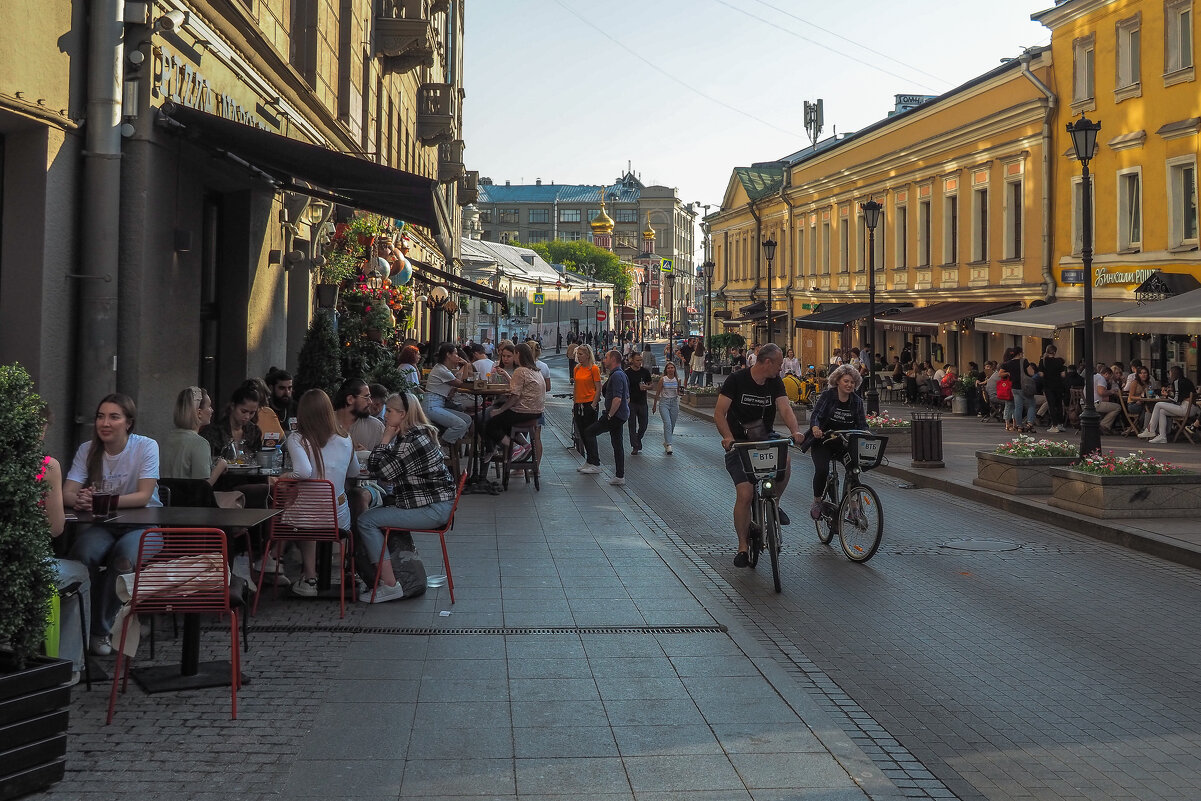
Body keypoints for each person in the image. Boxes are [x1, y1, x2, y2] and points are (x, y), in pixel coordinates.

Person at [64, 394, 162, 656]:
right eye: (100, 416)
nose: (105, 423)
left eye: (113, 417)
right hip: (105, 525)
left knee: (123, 558)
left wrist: (100, 500)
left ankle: (100, 630)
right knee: (82, 554)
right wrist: (83, 500)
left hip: (146, 526)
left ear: (128, 423)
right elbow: (67, 493)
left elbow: (143, 496)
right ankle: (77, 628)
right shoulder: (88, 449)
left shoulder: (146, 446)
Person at [354, 391, 457, 601]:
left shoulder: (411, 441)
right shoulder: (417, 434)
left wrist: (385, 438)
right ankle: (385, 578)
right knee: (374, 513)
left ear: (402, 414)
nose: (385, 415)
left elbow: (380, 470)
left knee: (366, 520)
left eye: (389, 411)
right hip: (437, 505)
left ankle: (390, 584)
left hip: (433, 510)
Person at [714, 344, 805, 567]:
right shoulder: (737, 380)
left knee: (786, 459)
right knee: (745, 494)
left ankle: (776, 502)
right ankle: (743, 547)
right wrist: (727, 437)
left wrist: (795, 431)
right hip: (739, 443)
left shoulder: (775, 383)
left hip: (765, 438)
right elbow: (719, 412)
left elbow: (785, 408)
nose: (781, 368)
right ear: (766, 362)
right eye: (779, 364)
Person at [283, 389, 359, 597]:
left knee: (299, 511)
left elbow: (302, 472)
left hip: (307, 519)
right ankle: (342, 575)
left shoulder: (298, 438)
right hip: (338, 518)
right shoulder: (346, 438)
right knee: (317, 509)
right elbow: (354, 472)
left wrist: (284, 476)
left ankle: (309, 577)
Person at [38, 405, 91, 685]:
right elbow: (56, 528)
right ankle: (68, 667)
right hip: (28, 568)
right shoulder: (46, 466)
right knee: (80, 573)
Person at [805, 364, 869, 521]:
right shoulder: (828, 396)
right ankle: (817, 501)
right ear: (837, 381)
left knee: (854, 470)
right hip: (824, 441)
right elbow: (816, 416)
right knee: (822, 470)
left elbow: (862, 424)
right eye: (846, 381)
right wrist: (815, 428)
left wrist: (866, 433)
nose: (849, 385)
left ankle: (854, 507)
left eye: (852, 382)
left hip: (844, 443)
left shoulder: (857, 402)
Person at [483, 342, 545, 457]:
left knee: (490, 423)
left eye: (513, 355)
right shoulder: (536, 371)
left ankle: (515, 448)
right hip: (537, 413)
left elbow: (515, 396)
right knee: (504, 424)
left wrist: (500, 410)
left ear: (518, 354)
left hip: (524, 411)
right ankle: (525, 445)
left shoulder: (520, 371)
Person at [580, 349, 630, 485]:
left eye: (606, 357)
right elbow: (626, 397)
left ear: (613, 359)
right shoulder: (619, 374)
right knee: (617, 444)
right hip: (619, 415)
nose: (604, 360)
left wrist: (609, 415)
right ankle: (619, 476)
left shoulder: (617, 376)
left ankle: (594, 463)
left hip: (614, 415)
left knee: (589, 432)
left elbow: (618, 398)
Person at [160, 386, 227, 483]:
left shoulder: (167, 439)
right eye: (209, 406)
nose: (212, 410)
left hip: (167, 497)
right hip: (190, 497)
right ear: (199, 413)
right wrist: (221, 466)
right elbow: (202, 487)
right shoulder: (200, 443)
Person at [423, 343, 473, 444]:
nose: (458, 357)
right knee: (460, 425)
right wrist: (466, 365)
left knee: (467, 419)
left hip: (438, 404)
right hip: (432, 405)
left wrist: (465, 366)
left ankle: (451, 443)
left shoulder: (443, 369)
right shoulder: (442, 370)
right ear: (448, 355)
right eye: (455, 354)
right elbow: (462, 384)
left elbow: (461, 383)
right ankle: (440, 447)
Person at [200, 384, 263, 464]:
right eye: (243, 411)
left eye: (252, 413)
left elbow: (258, 459)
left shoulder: (254, 431)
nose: (247, 416)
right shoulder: (214, 431)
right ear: (233, 406)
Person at [1139, 365, 1195, 443]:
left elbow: (1176, 400)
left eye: (1170, 373)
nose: (1169, 375)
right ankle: (1162, 436)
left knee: (1158, 404)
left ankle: (1150, 429)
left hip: (1186, 408)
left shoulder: (1177, 382)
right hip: (1193, 408)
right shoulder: (1187, 381)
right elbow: (1181, 396)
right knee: (1162, 411)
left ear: (1173, 373)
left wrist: (1167, 395)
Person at [334, 378, 385, 452]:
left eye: (370, 397)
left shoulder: (376, 428)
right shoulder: (324, 423)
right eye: (366, 397)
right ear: (350, 399)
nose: (370, 402)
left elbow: (386, 460)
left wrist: (368, 456)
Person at [570, 344, 603, 450]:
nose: (578, 357)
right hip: (578, 404)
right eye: (577, 354)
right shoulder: (577, 369)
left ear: (587, 355)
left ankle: (594, 461)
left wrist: (593, 404)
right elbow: (576, 387)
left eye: (581, 354)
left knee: (590, 434)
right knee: (581, 433)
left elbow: (598, 388)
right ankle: (589, 460)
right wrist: (574, 403)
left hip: (589, 403)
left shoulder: (593, 369)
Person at [624, 351, 652, 454]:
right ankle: (635, 446)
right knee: (632, 425)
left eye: (641, 360)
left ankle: (638, 438)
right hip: (631, 402)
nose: (640, 362)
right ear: (632, 360)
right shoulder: (627, 373)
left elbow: (651, 385)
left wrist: (647, 387)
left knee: (644, 425)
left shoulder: (645, 372)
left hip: (642, 402)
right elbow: (624, 387)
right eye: (637, 360)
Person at [651, 360, 682, 454]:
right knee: (667, 423)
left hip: (674, 403)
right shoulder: (663, 379)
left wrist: (681, 393)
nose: (670, 369)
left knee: (672, 424)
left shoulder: (677, 379)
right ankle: (669, 445)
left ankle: (666, 442)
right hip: (664, 403)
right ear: (666, 370)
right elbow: (658, 392)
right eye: (668, 368)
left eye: (672, 367)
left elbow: (679, 391)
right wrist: (655, 404)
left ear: (674, 369)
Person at [1038, 345, 1067, 433]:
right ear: (1055, 352)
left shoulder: (1043, 361)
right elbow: (1063, 375)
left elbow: (1041, 374)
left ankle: (1054, 425)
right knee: (1059, 405)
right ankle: (1060, 424)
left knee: (1051, 405)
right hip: (1058, 386)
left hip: (1048, 386)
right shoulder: (1059, 361)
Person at [1092, 365, 1122, 434]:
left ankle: (1103, 424)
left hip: (1086, 403)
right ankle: (1104, 425)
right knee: (1117, 407)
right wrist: (1112, 391)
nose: (1109, 378)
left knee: (1110, 406)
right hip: (1095, 403)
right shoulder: (1101, 379)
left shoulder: (1094, 376)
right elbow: (1101, 392)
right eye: (1110, 376)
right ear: (1106, 374)